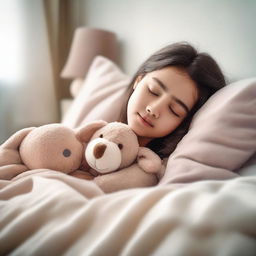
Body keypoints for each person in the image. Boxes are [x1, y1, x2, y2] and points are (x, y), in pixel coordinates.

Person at [119, 42, 226, 159]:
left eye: (174, 110)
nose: (153, 109)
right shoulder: (100, 132)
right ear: (138, 80)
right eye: (153, 91)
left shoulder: (158, 168)